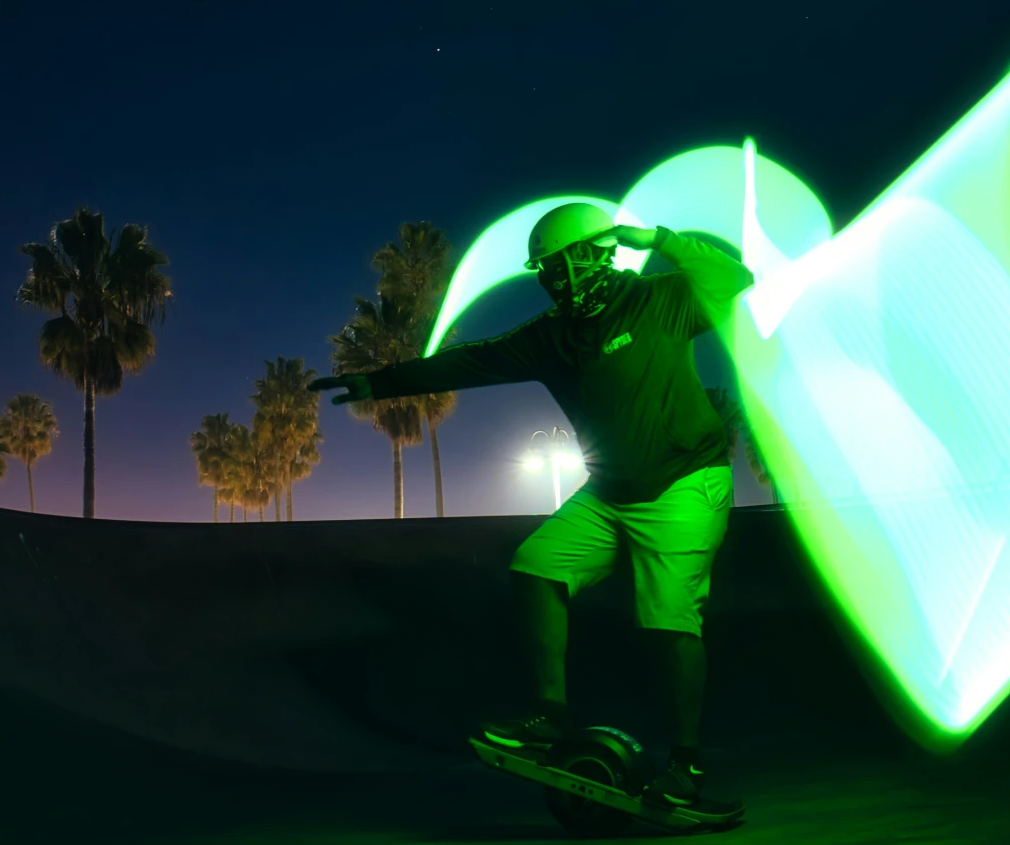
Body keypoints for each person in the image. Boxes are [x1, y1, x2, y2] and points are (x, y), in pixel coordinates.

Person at [310, 204, 754, 813]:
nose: (556, 280)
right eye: (546, 270)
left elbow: (737, 280)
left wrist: (658, 239)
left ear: (599, 254)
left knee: (669, 620)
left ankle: (686, 767)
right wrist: (376, 383)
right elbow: (470, 362)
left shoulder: (662, 299)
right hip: (610, 492)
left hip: (683, 484)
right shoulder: (550, 337)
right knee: (537, 565)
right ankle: (549, 717)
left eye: (563, 264)